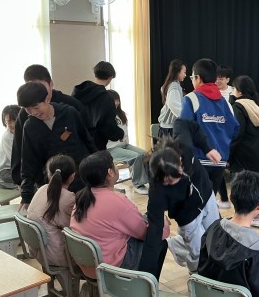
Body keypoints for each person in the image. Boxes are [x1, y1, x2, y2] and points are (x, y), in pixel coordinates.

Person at [142, 119, 221, 278]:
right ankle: (197, 275)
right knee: (197, 251)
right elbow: (155, 231)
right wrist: (146, 274)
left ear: (179, 159)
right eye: (167, 182)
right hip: (187, 215)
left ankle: (177, 244)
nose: (172, 182)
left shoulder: (183, 145)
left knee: (216, 238)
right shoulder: (157, 191)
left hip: (206, 195)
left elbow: (184, 123)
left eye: (175, 177)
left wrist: (207, 148)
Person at [70, 151, 150, 278]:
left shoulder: (81, 197)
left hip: (87, 265)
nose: (116, 167)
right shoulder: (118, 202)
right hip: (108, 268)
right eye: (114, 164)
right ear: (110, 172)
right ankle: (145, 286)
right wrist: (164, 225)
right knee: (157, 241)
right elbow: (144, 234)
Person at [16, 82, 95, 209]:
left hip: (80, 180)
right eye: (27, 109)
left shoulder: (69, 113)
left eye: (36, 107)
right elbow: (28, 163)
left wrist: (99, 170)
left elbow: (89, 142)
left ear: (47, 99)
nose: (33, 112)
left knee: (84, 214)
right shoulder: (29, 127)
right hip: (53, 186)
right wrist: (26, 196)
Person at [11, 64, 92, 185]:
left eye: (40, 85)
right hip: (49, 181)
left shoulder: (70, 108)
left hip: (78, 177)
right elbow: (22, 152)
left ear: (50, 84)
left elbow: (88, 138)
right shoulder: (26, 117)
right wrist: (22, 183)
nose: (34, 112)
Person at [179, 58, 239, 211]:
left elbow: (183, 130)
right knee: (208, 203)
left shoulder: (191, 99)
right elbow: (235, 129)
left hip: (197, 161)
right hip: (219, 162)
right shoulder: (225, 102)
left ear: (198, 78)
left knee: (194, 207)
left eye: (192, 77)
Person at [230, 75, 259, 228]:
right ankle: (256, 216)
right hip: (256, 153)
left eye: (234, 88)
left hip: (242, 153)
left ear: (239, 91)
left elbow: (237, 134)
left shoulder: (239, 106)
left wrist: (228, 154)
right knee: (253, 186)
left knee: (241, 188)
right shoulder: (255, 105)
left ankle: (242, 219)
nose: (232, 91)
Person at [26, 154, 76, 267]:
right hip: (57, 256)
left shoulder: (41, 189)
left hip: (39, 251)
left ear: (49, 175)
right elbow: (76, 228)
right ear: (73, 176)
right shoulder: (69, 198)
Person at [72, 61, 124, 150]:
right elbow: (108, 127)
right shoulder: (106, 98)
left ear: (95, 74)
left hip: (77, 142)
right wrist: (120, 134)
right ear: (110, 77)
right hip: (96, 145)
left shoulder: (78, 92)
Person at [105, 89, 150, 195]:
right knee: (135, 157)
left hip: (124, 145)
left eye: (117, 100)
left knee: (145, 154)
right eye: (114, 100)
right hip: (111, 148)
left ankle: (150, 180)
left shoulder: (121, 114)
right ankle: (138, 184)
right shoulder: (105, 116)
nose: (116, 103)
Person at [214, 64, 234, 207]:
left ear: (227, 79)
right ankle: (224, 198)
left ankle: (226, 199)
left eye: (221, 78)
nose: (218, 81)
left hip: (229, 133)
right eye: (216, 78)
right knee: (217, 166)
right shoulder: (212, 91)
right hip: (216, 133)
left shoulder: (233, 92)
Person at [0, 104, 21, 189]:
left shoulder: (24, 130)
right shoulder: (7, 137)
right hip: (4, 172)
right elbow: (16, 161)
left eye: (15, 120)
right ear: (4, 122)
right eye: (9, 122)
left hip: (16, 168)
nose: (13, 125)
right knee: (31, 181)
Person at [158, 59, 186, 138]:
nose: (185, 75)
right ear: (177, 72)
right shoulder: (174, 86)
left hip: (167, 127)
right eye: (184, 72)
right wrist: (187, 116)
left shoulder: (172, 84)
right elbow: (174, 105)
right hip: (170, 129)